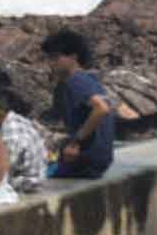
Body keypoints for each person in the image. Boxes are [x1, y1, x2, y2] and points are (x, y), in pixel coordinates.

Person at [40, 29, 116, 178]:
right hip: (99, 161)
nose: (51, 63)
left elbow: (101, 108)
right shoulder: (90, 79)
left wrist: (75, 141)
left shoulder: (74, 81)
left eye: (55, 58)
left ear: (73, 57)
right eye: (49, 58)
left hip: (84, 162)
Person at [0, 98, 49, 195]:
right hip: (36, 177)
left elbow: (7, 165)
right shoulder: (19, 120)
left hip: (27, 183)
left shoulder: (11, 129)